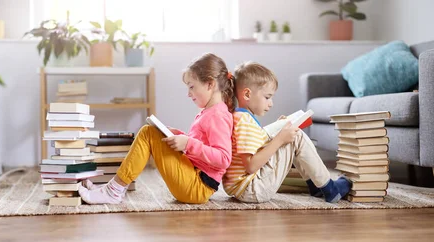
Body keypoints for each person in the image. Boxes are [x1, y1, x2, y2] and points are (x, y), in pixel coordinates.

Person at [79, 53, 236, 204]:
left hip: (197, 186)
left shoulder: (218, 115)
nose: (189, 94)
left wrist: (188, 143)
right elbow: (203, 145)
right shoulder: (210, 112)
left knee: (148, 133)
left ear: (210, 84)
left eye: (192, 87)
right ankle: (114, 188)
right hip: (194, 179)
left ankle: (113, 191)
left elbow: (223, 159)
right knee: (152, 132)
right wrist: (180, 136)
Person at [222, 61, 351, 203]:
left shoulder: (240, 117)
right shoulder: (244, 121)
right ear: (247, 94)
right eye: (267, 97)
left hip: (245, 187)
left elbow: (257, 143)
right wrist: (280, 139)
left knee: (289, 132)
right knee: (296, 135)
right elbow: (251, 166)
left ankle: (315, 185)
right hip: (253, 189)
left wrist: (278, 127)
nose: (271, 103)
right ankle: (329, 188)